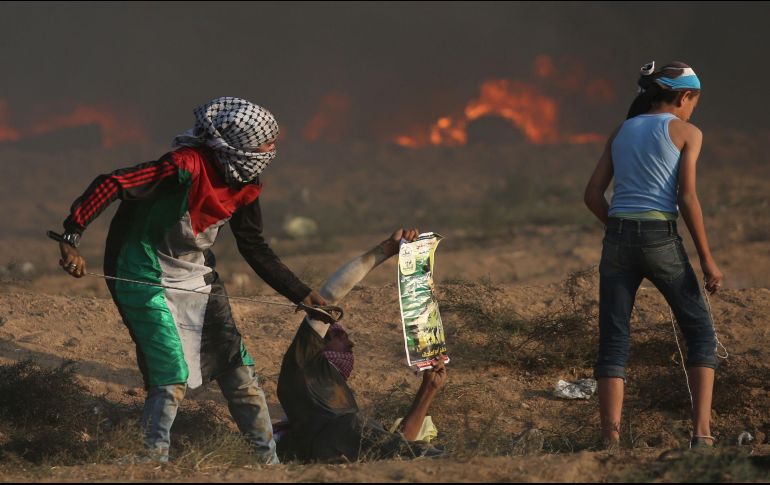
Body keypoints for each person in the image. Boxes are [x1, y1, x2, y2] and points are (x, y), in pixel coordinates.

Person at [57, 97, 327, 463]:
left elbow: (254, 246)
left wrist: (301, 293)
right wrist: (71, 237)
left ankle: (267, 463)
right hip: (141, 271)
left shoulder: (245, 182)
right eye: (266, 142)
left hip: (197, 275)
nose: (271, 149)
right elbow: (113, 183)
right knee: (170, 372)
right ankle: (152, 456)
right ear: (239, 144)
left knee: (240, 371)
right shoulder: (183, 166)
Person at [584, 62, 723, 450]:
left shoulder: (621, 130)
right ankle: (701, 434)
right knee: (699, 333)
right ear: (683, 97)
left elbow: (592, 195)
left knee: (613, 340)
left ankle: (610, 442)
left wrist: (616, 228)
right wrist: (708, 260)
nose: (694, 108)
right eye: (695, 100)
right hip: (661, 239)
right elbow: (687, 198)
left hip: (618, 241)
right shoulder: (687, 132)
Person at [276, 228, 449, 463]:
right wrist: (385, 250)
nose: (351, 343)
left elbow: (396, 443)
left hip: (348, 447)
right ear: (320, 345)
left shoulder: (338, 394)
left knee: (398, 445)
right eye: (339, 336)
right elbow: (329, 297)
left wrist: (429, 389)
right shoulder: (301, 366)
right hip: (330, 447)